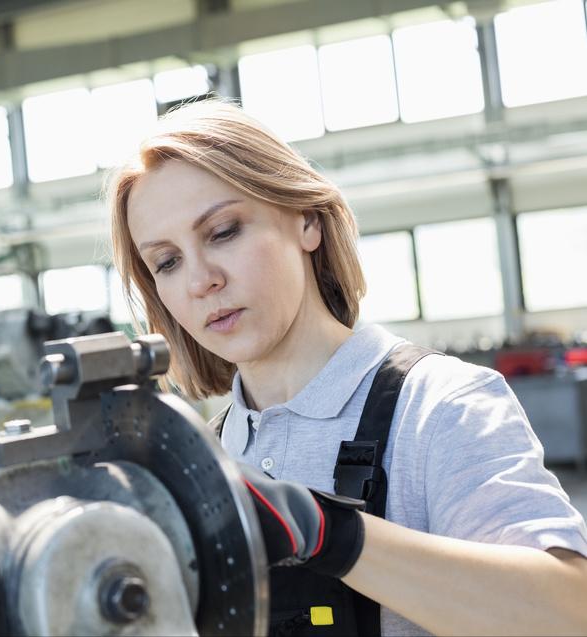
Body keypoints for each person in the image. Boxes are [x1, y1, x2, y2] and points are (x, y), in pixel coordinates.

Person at [107, 99, 587, 635]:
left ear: (306, 220)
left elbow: (566, 613)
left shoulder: (438, 406)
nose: (200, 280)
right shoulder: (211, 454)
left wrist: (332, 536)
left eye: (223, 231)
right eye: (167, 262)